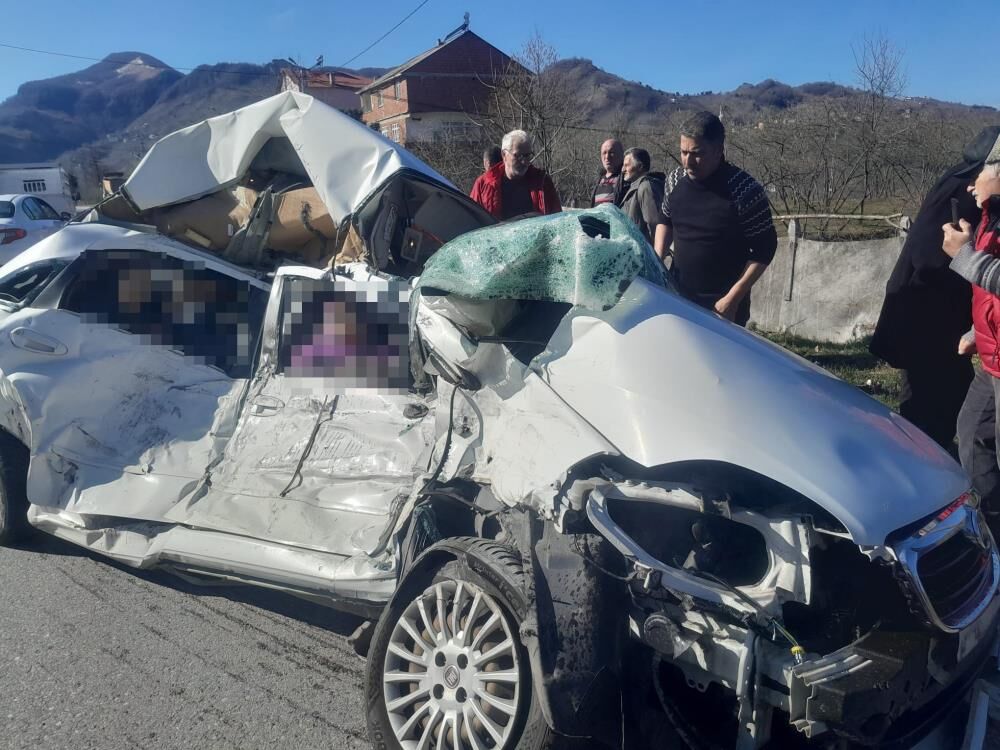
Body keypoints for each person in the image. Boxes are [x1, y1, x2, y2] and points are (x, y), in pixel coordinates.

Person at [871, 126, 1000, 449]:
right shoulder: (968, 192)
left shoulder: (957, 179)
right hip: (930, 312)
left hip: (933, 313)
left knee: (946, 400)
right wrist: (966, 259)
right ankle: (922, 469)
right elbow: (929, 255)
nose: (974, 184)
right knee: (930, 407)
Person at [653, 111, 777, 326]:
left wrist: (733, 298)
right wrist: (656, 260)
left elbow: (765, 249)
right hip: (677, 296)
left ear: (719, 150)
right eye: (683, 152)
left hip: (722, 306)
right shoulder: (674, 180)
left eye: (697, 153)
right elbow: (665, 219)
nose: (688, 162)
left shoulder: (745, 190)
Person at [944, 133, 1000, 522]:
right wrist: (975, 332)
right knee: (972, 432)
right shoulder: (989, 217)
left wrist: (964, 257)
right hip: (992, 356)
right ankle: (989, 528)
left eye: (977, 175)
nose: (969, 185)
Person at [469, 130, 562, 220]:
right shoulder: (484, 184)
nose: (524, 161)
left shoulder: (542, 182)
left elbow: (558, 220)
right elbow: (472, 221)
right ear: (504, 155)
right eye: (518, 155)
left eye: (527, 155)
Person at [619, 147, 666, 243]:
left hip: (645, 254)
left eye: (627, 165)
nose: (623, 169)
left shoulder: (646, 187)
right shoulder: (635, 187)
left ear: (640, 166)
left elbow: (655, 226)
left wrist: (656, 255)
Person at [591, 138, 626, 207]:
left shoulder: (626, 180)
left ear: (622, 156)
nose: (607, 157)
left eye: (611, 153)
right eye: (604, 153)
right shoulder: (599, 181)